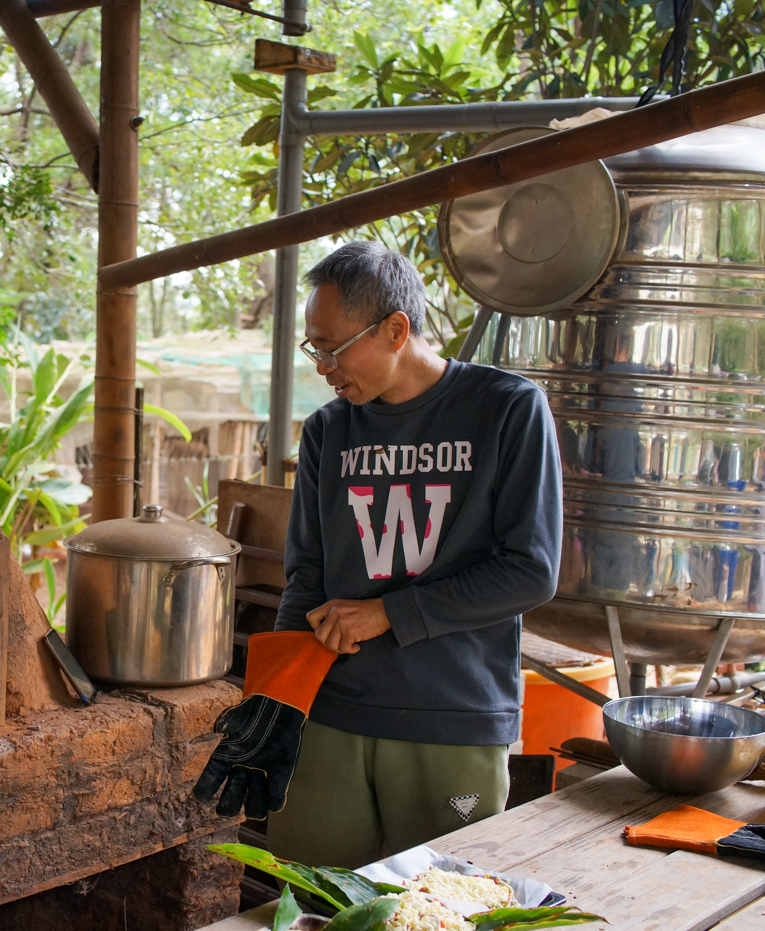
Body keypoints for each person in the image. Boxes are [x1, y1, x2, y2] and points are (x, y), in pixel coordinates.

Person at [193, 241, 562, 868]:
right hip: (329, 714)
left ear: (396, 329)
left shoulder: (506, 409)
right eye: (314, 348)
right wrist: (277, 700)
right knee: (313, 900)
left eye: (334, 347)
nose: (323, 367)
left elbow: (530, 571)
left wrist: (389, 611)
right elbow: (307, 575)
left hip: (450, 716)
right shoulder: (329, 432)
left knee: (441, 905)